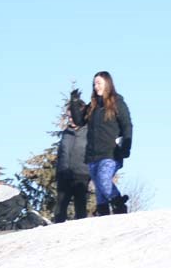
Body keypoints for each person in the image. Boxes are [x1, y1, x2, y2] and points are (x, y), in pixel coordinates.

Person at [70, 71, 133, 216]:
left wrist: (126, 148)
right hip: (93, 155)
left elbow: (127, 125)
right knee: (99, 190)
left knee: (104, 181)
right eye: (94, 84)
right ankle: (103, 216)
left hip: (111, 153)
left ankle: (119, 206)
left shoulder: (117, 103)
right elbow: (79, 121)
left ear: (107, 83)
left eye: (99, 83)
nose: (96, 86)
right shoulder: (93, 106)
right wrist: (74, 103)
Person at [54, 89, 91, 223]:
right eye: (68, 116)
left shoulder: (88, 132)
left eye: (73, 115)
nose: (71, 119)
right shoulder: (66, 133)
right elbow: (61, 154)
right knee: (60, 207)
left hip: (81, 174)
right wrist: (59, 172)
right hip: (64, 174)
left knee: (80, 206)